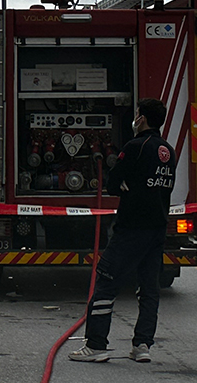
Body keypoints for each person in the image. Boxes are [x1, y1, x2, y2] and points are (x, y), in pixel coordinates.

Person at [69, 98, 175, 364]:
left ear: (142, 118)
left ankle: (96, 344)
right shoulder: (168, 150)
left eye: (137, 114)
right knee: (148, 288)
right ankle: (142, 345)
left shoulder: (135, 147)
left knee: (106, 282)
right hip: (157, 229)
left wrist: (125, 183)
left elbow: (113, 183)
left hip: (131, 228)